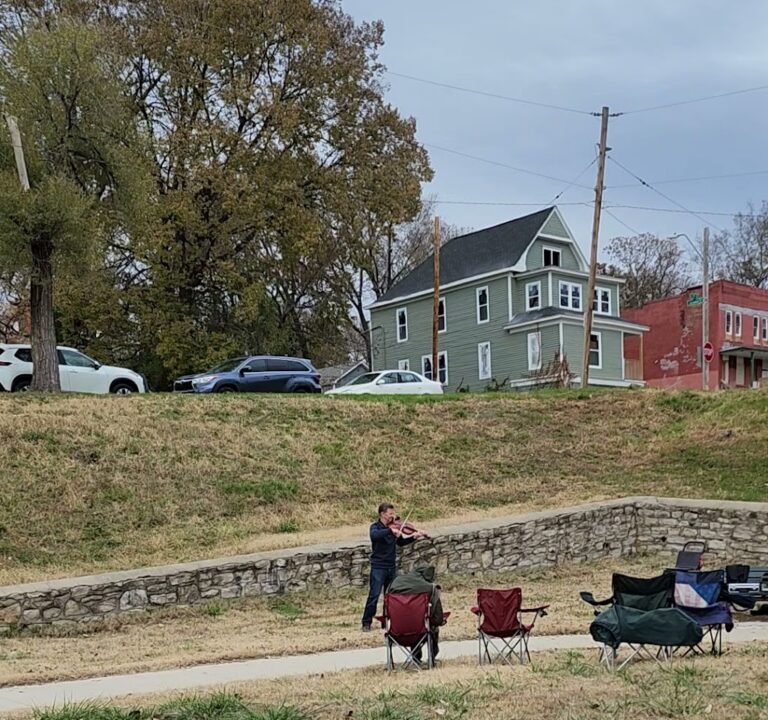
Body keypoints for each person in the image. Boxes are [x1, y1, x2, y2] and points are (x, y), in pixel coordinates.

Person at [361, 502, 426, 631]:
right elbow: (375, 536)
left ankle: (387, 621)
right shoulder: (375, 527)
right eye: (390, 514)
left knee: (390, 596)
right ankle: (366, 622)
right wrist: (389, 530)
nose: (393, 516)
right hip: (378, 567)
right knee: (374, 595)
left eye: (393, 513)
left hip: (391, 566)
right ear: (382, 514)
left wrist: (414, 537)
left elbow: (401, 542)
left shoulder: (395, 528)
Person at [389, 565, 444, 661]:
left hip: (395, 634)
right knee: (428, 625)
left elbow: (387, 613)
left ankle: (416, 657)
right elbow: (438, 619)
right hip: (421, 633)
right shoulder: (431, 588)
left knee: (409, 621)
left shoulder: (394, 584)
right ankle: (432, 657)